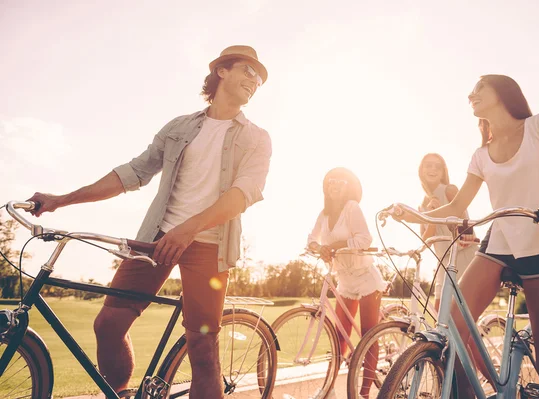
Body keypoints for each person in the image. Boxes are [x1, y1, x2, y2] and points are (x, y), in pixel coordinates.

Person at [27, 45, 272, 399]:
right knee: (108, 325)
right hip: (156, 237)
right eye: (249, 71)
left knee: (202, 349)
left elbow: (243, 194)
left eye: (260, 78)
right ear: (222, 71)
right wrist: (62, 200)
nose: (256, 81)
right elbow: (134, 172)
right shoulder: (180, 127)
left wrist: (188, 230)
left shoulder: (256, 137)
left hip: (209, 245)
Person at [394, 75, 539, 398]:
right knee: (451, 330)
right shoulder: (481, 155)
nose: (471, 95)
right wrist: (411, 213)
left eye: (479, 88)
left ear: (503, 91)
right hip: (497, 245)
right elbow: (456, 206)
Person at [307, 167, 387, 398]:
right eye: (331, 181)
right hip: (344, 279)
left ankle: (363, 394)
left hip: (365, 277)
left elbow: (365, 238)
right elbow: (312, 238)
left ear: (348, 187)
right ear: (326, 187)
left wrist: (335, 245)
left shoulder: (352, 207)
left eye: (341, 182)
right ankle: (329, 388)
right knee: (340, 336)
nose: (335, 185)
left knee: (368, 335)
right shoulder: (323, 215)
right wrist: (317, 247)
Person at [417, 153, 478, 311]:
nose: (433, 169)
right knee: (440, 314)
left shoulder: (449, 190)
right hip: (443, 262)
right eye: (428, 165)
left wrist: (440, 212)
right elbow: (425, 241)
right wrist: (432, 217)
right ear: (421, 170)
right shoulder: (422, 204)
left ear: (443, 172)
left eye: (438, 166)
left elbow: (465, 225)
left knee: (461, 316)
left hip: (462, 256)